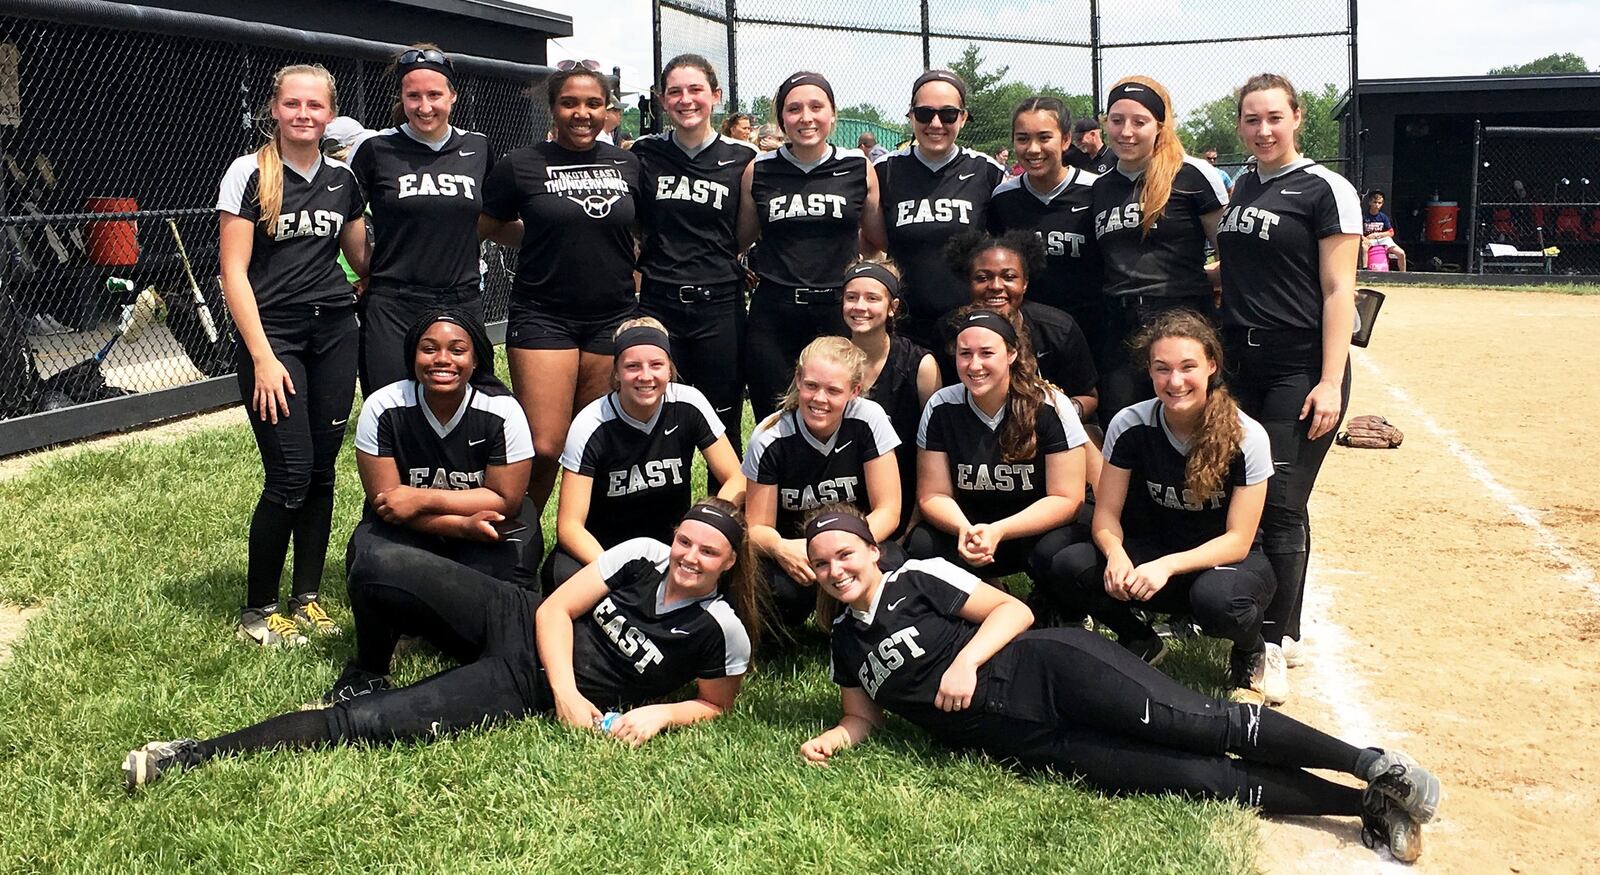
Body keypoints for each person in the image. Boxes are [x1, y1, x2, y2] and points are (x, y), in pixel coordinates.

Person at [798, 506, 1442, 864]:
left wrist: (965, 663)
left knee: (1198, 723)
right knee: (1194, 779)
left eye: (845, 554)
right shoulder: (843, 643)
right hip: (1028, 741)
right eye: (822, 564)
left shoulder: (917, 576)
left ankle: (1373, 765)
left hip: (1049, 673)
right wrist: (837, 736)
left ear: (871, 550)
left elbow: (1013, 610)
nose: (835, 570)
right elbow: (864, 718)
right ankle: (1367, 809)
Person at [122, 501, 757, 790]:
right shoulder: (642, 554)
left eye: (708, 551)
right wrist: (568, 691)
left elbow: (716, 704)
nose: (689, 557)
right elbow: (560, 608)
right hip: (523, 620)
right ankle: (368, 662)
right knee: (375, 562)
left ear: (728, 565)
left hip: (521, 682)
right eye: (687, 541)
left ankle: (188, 755)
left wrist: (661, 713)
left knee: (363, 723)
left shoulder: (722, 629)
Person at [1043, 309, 1283, 703]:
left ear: (1212, 365)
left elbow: (1238, 540)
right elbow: (1106, 513)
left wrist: (1166, 566)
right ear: (1149, 372)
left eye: (1188, 367)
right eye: (1162, 369)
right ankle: (1141, 639)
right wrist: (1116, 554)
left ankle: (1252, 650)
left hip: (1223, 563)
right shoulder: (1129, 423)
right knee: (1069, 564)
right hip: (1154, 552)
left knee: (1219, 602)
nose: (1175, 381)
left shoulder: (1246, 435)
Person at [217, 63, 368, 646]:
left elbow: (360, 257)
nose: (304, 115)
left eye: (315, 106)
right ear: (274, 110)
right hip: (274, 339)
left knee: (324, 471)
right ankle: (258, 608)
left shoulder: (343, 179)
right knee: (289, 472)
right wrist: (261, 356)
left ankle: (306, 596)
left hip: (334, 333)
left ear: (330, 114)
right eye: (293, 104)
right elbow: (234, 272)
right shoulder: (247, 174)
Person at [1219, 74, 1363, 681]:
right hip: (1238, 365)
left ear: (1297, 117)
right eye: (1252, 120)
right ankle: (1261, 617)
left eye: (1274, 118)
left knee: (1280, 500)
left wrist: (1329, 381)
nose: (1263, 130)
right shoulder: (1244, 183)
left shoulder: (1326, 189)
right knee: (1241, 492)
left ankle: (1274, 639)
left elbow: (1338, 291)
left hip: (1297, 365)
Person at [481, 64, 642, 515]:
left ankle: (585, 541)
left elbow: (644, 231)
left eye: (593, 103)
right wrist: (537, 237)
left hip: (611, 319)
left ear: (607, 109)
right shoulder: (522, 165)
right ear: (553, 108)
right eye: (570, 103)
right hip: (543, 316)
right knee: (546, 444)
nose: (582, 113)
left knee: (595, 442)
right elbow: (489, 224)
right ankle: (520, 541)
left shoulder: (628, 163)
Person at [546, 318, 745, 593]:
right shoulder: (591, 422)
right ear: (616, 373)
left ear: (670, 368)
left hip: (673, 546)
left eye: (656, 365)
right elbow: (569, 526)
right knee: (562, 574)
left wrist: (702, 528)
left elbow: (736, 477)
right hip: (605, 546)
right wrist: (616, 570)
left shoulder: (689, 403)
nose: (645, 376)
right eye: (632, 366)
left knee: (732, 566)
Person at [632, 55, 759, 463]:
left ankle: (727, 522)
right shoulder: (645, 153)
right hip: (659, 302)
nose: (686, 100)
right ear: (661, 100)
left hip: (718, 302)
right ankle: (669, 522)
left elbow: (743, 232)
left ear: (716, 96)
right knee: (661, 418)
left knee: (723, 420)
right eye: (675, 92)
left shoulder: (744, 158)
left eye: (696, 90)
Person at [348, 45, 496, 395]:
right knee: (391, 409)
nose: (424, 107)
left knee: (468, 407)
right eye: (413, 96)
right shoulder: (376, 149)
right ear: (401, 96)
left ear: (453, 96)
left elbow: (492, 216)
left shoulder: (478, 147)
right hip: (394, 303)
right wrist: (370, 269)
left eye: (434, 95)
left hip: (461, 298)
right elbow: (350, 218)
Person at [738, 71, 885, 421]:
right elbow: (739, 240)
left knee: (839, 418)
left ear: (832, 113)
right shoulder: (759, 169)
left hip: (837, 310)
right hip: (775, 313)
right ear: (781, 119)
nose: (806, 117)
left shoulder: (857, 166)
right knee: (774, 420)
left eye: (816, 107)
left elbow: (876, 244)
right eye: (794, 109)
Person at [348, 309, 534, 586]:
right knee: (373, 565)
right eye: (429, 349)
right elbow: (389, 504)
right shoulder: (382, 406)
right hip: (407, 526)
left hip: (485, 522)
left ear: (475, 361)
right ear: (413, 356)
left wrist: (422, 499)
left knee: (507, 577)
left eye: (457, 350)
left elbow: (505, 500)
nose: (442, 359)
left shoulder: (503, 410)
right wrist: (460, 526)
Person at [908, 308, 1089, 589]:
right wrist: (965, 530)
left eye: (986, 353)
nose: (974, 365)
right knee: (922, 545)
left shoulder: (1051, 405)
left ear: (1012, 354)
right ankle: (977, 605)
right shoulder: (941, 406)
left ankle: (1059, 610)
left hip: (1033, 530)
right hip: (973, 530)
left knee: (1063, 556)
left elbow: (1067, 498)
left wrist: (1000, 530)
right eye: (965, 353)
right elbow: (933, 494)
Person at [1092, 76, 1229, 427]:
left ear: (1160, 126)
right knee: (1123, 427)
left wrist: (1202, 278)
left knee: (1191, 424)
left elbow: (1232, 255)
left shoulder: (1192, 175)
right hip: (1118, 325)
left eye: (1139, 122)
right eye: (1116, 120)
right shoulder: (1101, 185)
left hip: (1182, 321)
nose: (1126, 131)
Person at [742, 336, 902, 631]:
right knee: (768, 595)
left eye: (833, 390)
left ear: (854, 391)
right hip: (797, 551)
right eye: (811, 386)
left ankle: (858, 624)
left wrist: (843, 552)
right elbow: (756, 528)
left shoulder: (870, 420)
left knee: (891, 566)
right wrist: (780, 547)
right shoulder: (770, 437)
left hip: (854, 545)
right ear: (798, 379)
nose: (819, 399)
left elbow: (889, 510)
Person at [868, 70, 1005, 353]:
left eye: (948, 114)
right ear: (911, 116)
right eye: (924, 113)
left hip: (968, 328)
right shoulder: (886, 170)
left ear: (964, 117)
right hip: (904, 326)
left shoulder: (986, 171)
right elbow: (874, 240)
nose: (935, 123)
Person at [988, 96, 1106, 357]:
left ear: (1065, 140)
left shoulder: (1097, 190)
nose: (1033, 149)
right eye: (1022, 138)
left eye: (1044, 138)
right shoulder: (1003, 198)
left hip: (1092, 330)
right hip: (1027, 333)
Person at [938, 231, 1098, 420]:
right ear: (968, 283)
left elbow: (1089, 397)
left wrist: (1063, 414)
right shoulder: (950, 330)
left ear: (1025, 283)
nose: (996, 286)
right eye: (982, 278)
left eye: (1009, 276)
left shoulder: (1058, 328)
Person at [841, 260, 939, 537]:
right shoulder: (829, 359)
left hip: (903, 496)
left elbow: (932, 448)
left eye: (872, 298)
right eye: (851, 297)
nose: (860, 306)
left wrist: (919, 514)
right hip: (843, 494)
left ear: (892, 306)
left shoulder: (920, 365)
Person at [1360, 190, 1407, 271]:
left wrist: (1377, 235)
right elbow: (1357, 232)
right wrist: (1365, 239)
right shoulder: (1364, 217)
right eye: (1375, 202)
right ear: (1370, 202)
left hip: (1382, 239)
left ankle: (1404, 274)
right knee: (1364, 247)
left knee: (1401, 253)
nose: (1377, 205)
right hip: (1368, 240)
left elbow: (1391, 232)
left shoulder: (1383, 217)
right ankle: (1365, 270)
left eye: (1380, 203)